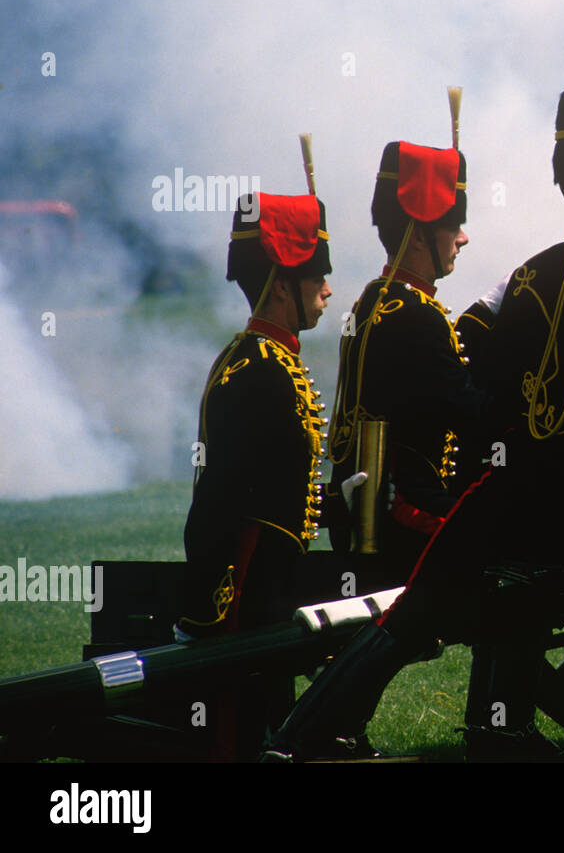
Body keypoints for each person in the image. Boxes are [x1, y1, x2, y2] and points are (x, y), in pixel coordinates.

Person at [263, 85, 564, 762]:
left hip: (502, 505)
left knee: (416, 611)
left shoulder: (527, 279)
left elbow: (491, 395)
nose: (464, 236)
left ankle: (303, 739)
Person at [177, 191, 332, 761]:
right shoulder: (259, 370)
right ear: (281, 284)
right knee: (238, 730)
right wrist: (206, 611)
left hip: (271, 576)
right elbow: (220, 496)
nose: (328, 288)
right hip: (243, 583)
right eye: (317, 274)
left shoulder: (269, 359)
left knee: (266, 714)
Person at [327, 141, 484, 583]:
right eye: (453, 225)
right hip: (405, 512)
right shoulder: (417, 316)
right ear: (418, 236)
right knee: (514, 539)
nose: (463, 237)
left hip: (382, 505)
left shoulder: (374, 299)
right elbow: (472, 413)